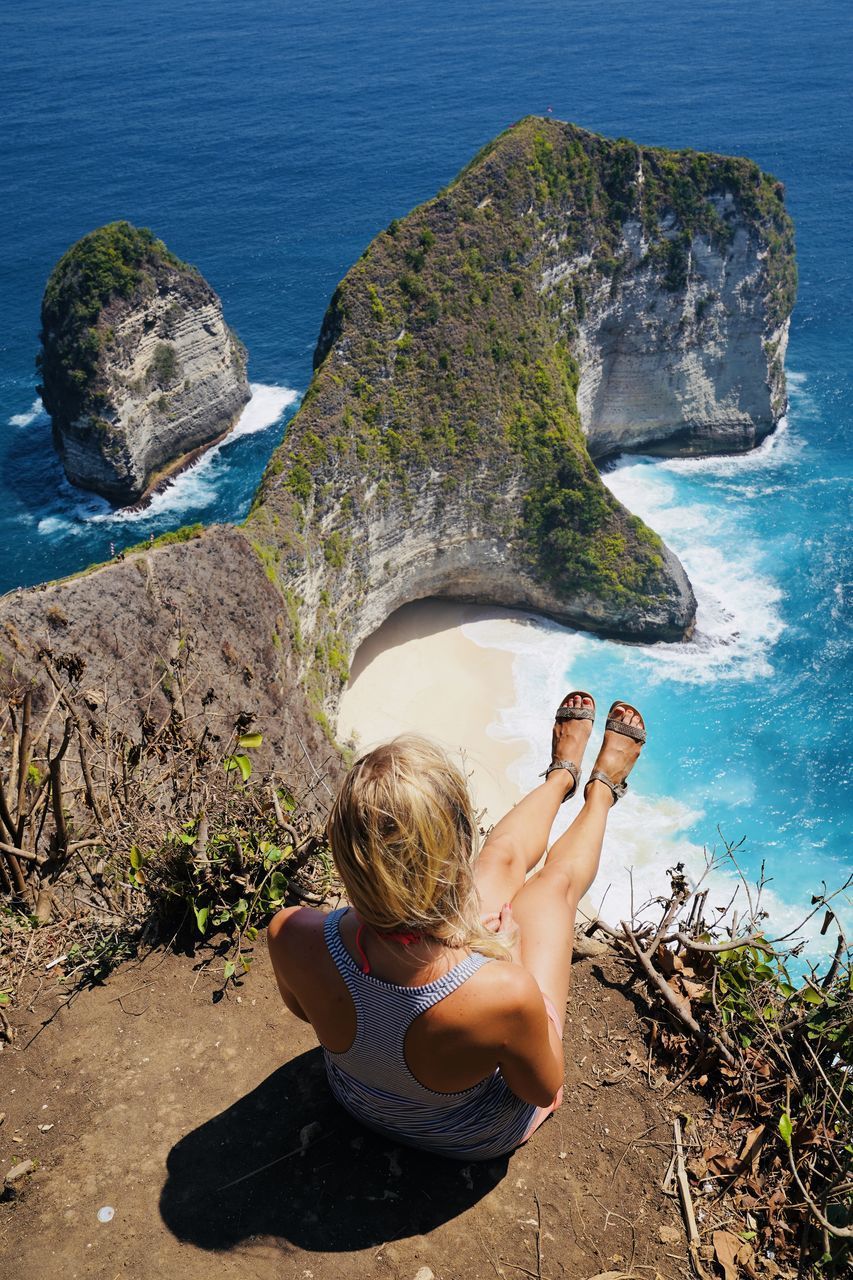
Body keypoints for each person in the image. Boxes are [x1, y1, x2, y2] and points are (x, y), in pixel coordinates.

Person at [268, 693, 646, 1160]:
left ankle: (561, 777)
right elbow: (544, 1089)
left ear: (345, 854)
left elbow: (306, 1012)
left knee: (501, 861)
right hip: (470, 1133)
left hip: (358, 1099)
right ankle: (602, 791)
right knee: (551, 889)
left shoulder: (290, 932)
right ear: (457, 849)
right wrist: (511, 960)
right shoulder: (506, 994)